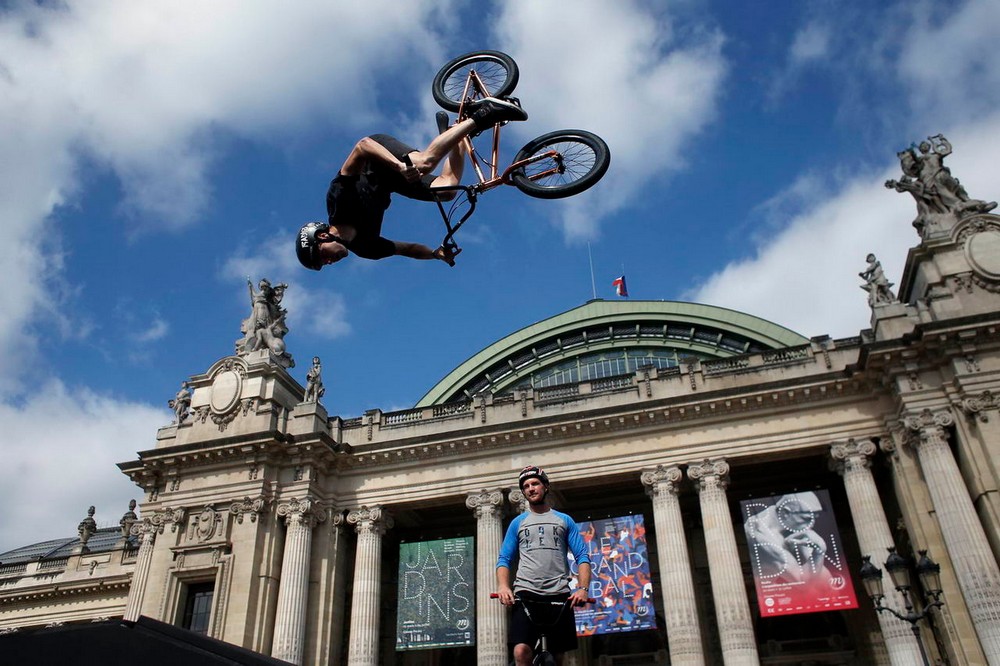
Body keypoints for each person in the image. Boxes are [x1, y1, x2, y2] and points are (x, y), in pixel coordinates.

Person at [296, 96, 528, 270]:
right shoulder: (367, 248)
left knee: (424, 164)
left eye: (322, 256)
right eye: (324, 264)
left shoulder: (339, 201)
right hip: (393, 182)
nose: (328, 262)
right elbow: (407, 250)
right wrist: (436, 254)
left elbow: (363, 146)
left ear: (323, 237)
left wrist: (398, 166)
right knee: (446, 190)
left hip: (378, 155)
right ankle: (459, 131)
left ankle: (485, 114)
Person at [495, 465, 592, 666]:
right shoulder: (518, 523)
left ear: (545, 487)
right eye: (526, 486)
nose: (531, 488)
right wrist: (504, 587)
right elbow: (504, 559)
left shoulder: (565, 520)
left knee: (557, 657)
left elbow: (582, 556)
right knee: (521, 651)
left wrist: (582, 589)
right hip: (526, 594)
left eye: (535, 483)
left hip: (558, 594)